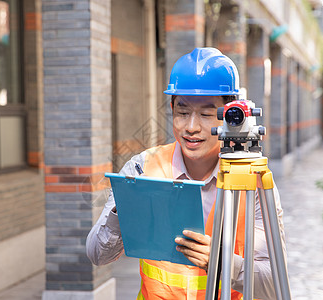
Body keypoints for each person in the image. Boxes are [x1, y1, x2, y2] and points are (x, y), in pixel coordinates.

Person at [86, 47, 285, 300]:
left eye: (205, 113)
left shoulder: (252, 180)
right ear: (171, 109)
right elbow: (96, 254)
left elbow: (273, 283)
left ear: (228, 114)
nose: (191, 127)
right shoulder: (144, 167)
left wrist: (222, 261)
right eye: (182, 112)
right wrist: (124, 206)